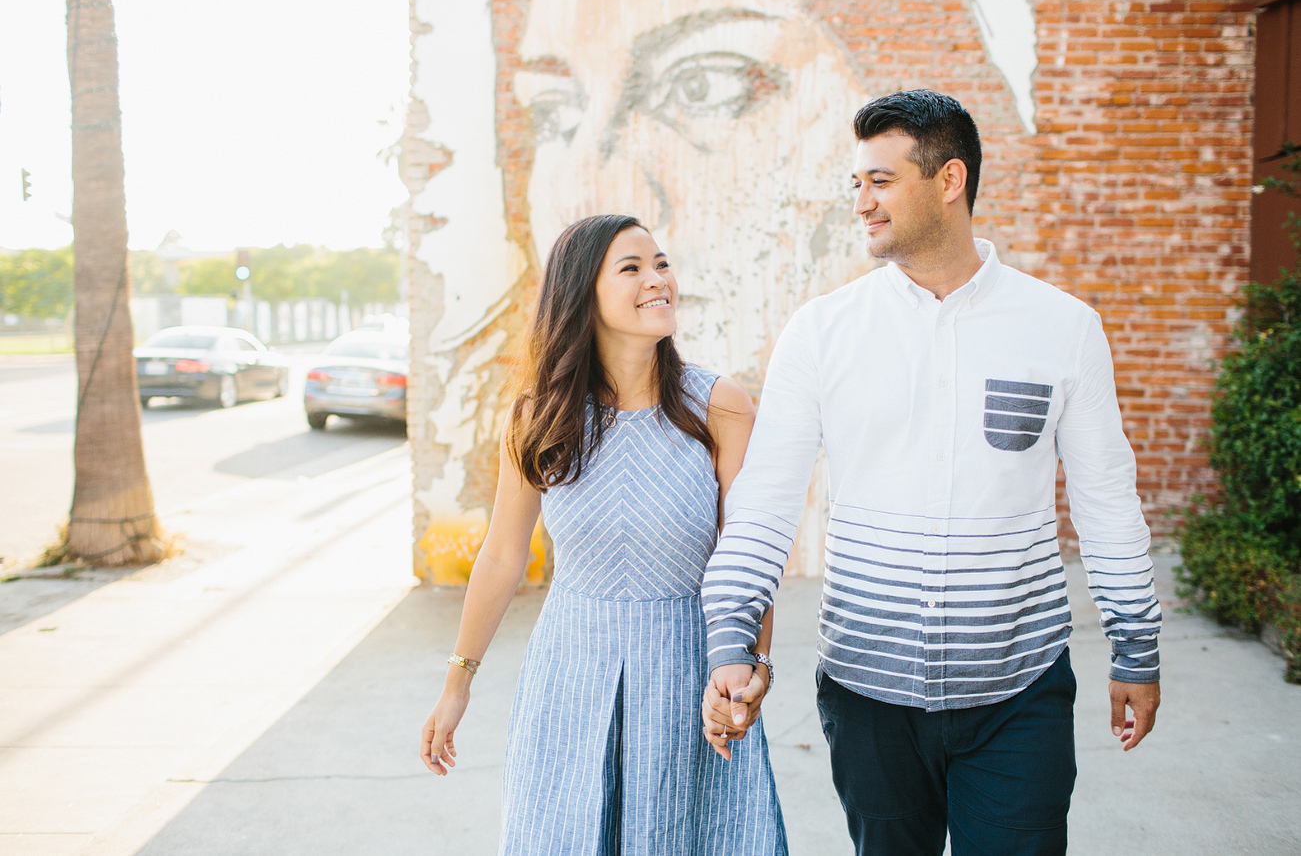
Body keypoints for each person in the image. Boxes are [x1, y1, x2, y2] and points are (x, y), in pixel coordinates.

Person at [700, 90, 1162, 856]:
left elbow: (1105, 497)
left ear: (949, 180)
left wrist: (1135, 645)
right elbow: (762, 507)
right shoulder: (820, 333)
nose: (861, 202)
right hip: (864, 694)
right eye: (856, 183)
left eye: (880, 180)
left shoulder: (1061, 326)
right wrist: (729, 639)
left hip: (1019, 692)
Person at [420, 214, 788, 855]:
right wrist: (458, 684)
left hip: (689, 673)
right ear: (582, 292)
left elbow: (747, 556)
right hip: (568, 677)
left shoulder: (721, 404)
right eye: (632, 268)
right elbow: (504, 556)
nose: (658, 279)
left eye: (662, 263)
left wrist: (749, 668)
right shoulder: (541, 412)